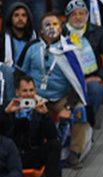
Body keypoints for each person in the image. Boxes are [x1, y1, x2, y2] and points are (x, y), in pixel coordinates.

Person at [19, 13, 88, 168]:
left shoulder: (70, 49)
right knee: (20, 112)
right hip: (34, 96)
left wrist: (68, 107)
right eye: (48, 24)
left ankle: (74, 154)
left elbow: (78, 83)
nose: (52, 27)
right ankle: (29, 152)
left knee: (79, 111)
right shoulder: (31, 47)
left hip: (60, 98)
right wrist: (30, 96)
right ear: (41, 30)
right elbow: (19, 74)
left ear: (61, 28)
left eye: (56, 24)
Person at [1, 74, 61, 177]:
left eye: (31, 90)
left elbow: (52, 136)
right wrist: (7, 113)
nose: (28, 94)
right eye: (25, 91)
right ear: (17, 92)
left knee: (55, 145)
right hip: (11, 157)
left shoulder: (40, 108)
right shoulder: (8, 107)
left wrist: (45, 115)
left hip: (32, 153)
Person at [62, 0, 103, 123]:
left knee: (96, 89)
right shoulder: (60, 32)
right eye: (74, 14)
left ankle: (87, 123)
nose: (78, 17)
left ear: (87, 15)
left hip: (89, 78)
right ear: (68, 17)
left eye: (82, 13)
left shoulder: (97, 32)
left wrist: (100, 76)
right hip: (66, 78)